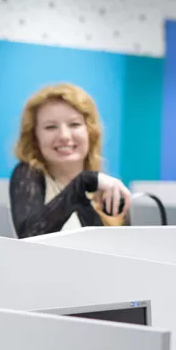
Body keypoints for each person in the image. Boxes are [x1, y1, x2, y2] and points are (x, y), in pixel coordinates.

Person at [8, 83, 132, 238]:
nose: (64, 136)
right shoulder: (27, 174)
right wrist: (83, 181)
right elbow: (30, 236)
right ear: (35, 137)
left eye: (74, 124)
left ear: (90, 132)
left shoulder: (107, 189)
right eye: (51, 127)